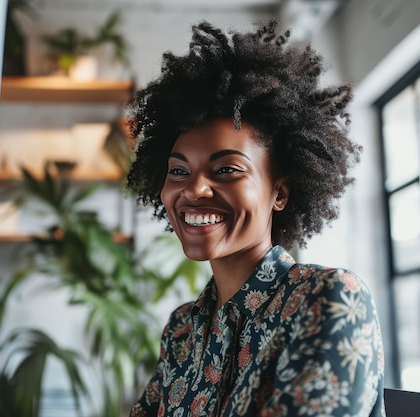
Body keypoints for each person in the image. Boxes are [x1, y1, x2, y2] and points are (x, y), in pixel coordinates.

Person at [125, 19, 385, 417]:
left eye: (227, 169)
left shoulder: (328, 297)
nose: (193, 190)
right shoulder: (182, 329)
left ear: (279, 192)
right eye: (178, 171)